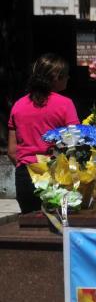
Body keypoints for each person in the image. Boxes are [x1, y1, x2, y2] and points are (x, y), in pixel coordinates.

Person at [7, 53, 79, 213]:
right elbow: (75, 143)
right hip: (56, 176)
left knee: (30, 230)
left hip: (25, 176)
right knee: (59, 230)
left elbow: (12, 152)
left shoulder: (18, 106)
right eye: (65, 74)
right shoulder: (65, 104)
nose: (68, 77)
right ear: (56, 77)